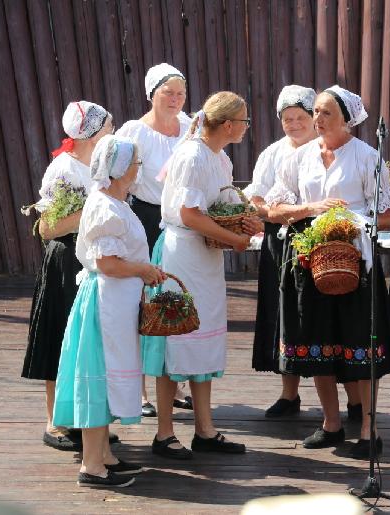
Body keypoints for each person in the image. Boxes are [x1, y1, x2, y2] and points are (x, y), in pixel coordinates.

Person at [265, 85, 390, 459]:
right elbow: (274, 209)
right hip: (309, 257)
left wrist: (347, 219)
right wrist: (311, 209)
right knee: (315, 337)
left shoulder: (367, 157)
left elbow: (387, 215)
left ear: (347, 118)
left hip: (353, 256)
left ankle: (370, 429)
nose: (316, 119)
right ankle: (331, 424)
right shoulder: (297, 158)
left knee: (358, 340)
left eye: (325, 113)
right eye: (316, 112)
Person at [147, 91, 262, 459]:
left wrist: (244, 221)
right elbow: (190, 213)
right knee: (175, 337)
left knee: (202, 338)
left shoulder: (219, 157)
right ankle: (164, 433)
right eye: (244, 120)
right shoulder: (193, 155)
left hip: (205, 256)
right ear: (228, 124)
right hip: (181, 254)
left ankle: (204, 430)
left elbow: (218, 205)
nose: (246, 127)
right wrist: (234, 240)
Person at [53, 134, 166, 487]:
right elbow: (108, 263)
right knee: (98, 378)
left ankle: (104, 455)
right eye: (135, 163)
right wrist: (144, 270)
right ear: (119, 169)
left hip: (117, 301)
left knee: (109, 375)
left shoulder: (117, 202)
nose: (138, 169)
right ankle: (91, 466)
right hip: (104, 302)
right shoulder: (104, 206)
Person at [21, 101, 114, 451]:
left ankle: (85, 423)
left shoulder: (102, 164)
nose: (113, 130)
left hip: (95, 259)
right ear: (91, 132)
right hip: (66, 263)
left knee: (89, 341)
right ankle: (55, 422)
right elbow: (48, 228)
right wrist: (94, 208)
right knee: (60, 336)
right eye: (108, 125)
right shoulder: (63, 169)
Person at [116, 63, 193, 418]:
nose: (175, 99)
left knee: (177, 294)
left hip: (181, 219)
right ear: (151, 95)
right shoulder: (134, 131)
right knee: (143, 299)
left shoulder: (191, 127)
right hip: (146, 217)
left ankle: (173, 383)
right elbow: (120, 178)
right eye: (168, 92)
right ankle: (142, 391)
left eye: (180, 93)